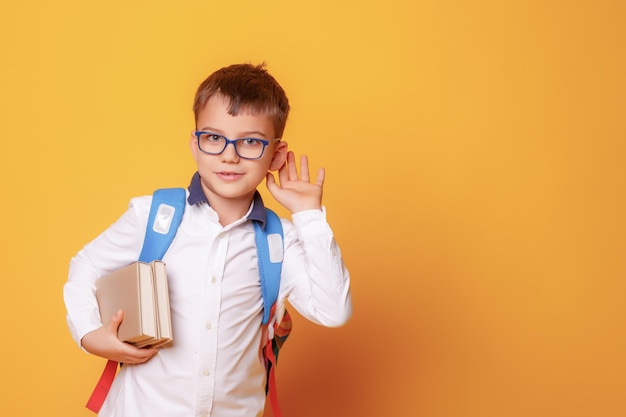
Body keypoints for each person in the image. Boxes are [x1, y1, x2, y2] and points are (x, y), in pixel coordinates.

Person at [63, 63, 352, 417]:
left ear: (275, 154)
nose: (229, 155)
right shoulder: (153, 215)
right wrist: (89, 333)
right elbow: (86, 266)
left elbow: (333, 310)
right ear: (195, 143)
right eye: (214, 138)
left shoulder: (281, 239)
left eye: (250, 141)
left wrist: (308, 215)